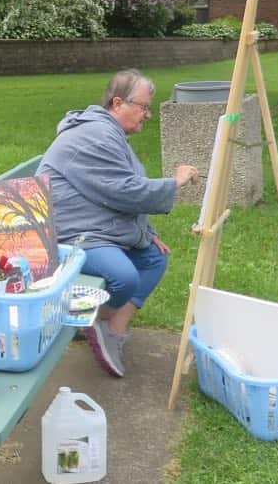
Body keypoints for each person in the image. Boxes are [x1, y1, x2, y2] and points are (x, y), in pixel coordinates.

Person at [37, 69, 198, 377]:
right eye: (144, 107)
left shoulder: (108, 132)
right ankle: (77, 321)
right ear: (118, 103)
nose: (148, 115)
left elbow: (120, 189)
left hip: (95, 223)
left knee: (154, 258)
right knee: (124, 277)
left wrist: (145, 232)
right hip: (69, 231)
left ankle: (111, 329)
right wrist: (175, 183)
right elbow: (124, 191)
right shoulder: (94, 134)